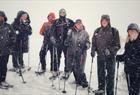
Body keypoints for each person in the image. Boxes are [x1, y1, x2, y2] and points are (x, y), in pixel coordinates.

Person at [91, 15, 120, 95]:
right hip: (100, 56)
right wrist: (93, 50)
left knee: (110, 76)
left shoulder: (114, 31)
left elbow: (117, 45)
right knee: (100, 74)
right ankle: (101, 89)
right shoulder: (97, 31)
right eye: (102, 20)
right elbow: (93, 43)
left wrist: (110, 50)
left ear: (108, 21)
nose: (104, 22)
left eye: (106, 20)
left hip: (110, 58)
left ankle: (110, 92)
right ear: (101, 21)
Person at [64, 19, 90, 88]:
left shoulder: (85, 33)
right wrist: (67, 42)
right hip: (72, 52)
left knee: (80, 68)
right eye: (77, 23)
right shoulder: (71, 32)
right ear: (75, 24)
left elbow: (88, 43)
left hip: (81, 53)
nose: (78, 25)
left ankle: (84, 82)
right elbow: (66, 41)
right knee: (73, 67)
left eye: (80, 23)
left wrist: (86, 46)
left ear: (81, 24)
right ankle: (77, 80)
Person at [116, 23, 140, 95]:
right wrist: (119, 57)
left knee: (135, 91)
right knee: (130, 90)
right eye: (129, 31)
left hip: (137, 72)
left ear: (137, 31)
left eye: (133, 31)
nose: (131, 32)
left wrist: (131, 60)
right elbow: (126, 55)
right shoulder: (128, 42)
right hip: (128, 71)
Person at [50, 8, 74, 76]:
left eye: (63, 12)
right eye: (61, 12)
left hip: (66, 43)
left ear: (65, 13)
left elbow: (76, 26)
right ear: (59, 13)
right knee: (57, 56)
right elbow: (52, 31)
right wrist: (52, 38)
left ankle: (67, 70)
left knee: (67, 57)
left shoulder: (69, 21)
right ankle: (56, 70)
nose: (62, 13)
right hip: (58, 43)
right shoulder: (56, 21)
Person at [0, 11, 16, 89]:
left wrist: (10, 46)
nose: (0, 18)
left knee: (4, 66)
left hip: (5, 51)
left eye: (2, 16)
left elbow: (13, 36)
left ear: (4, 17)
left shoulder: (8, 26)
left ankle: (3, 80)